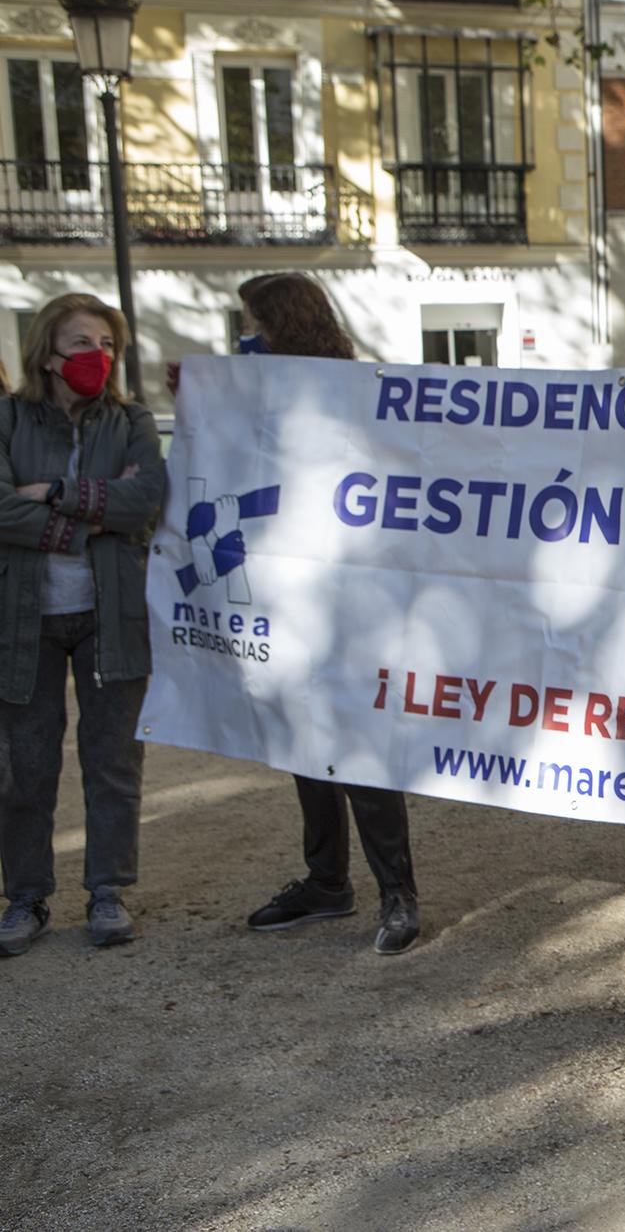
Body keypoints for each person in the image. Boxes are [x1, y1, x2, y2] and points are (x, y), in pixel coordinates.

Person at [215, 273, 423, 956]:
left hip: (354, 596)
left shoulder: (357, 393)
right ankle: (326, 882)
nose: (244, 334)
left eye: (252, 321)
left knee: (359, 744)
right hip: (287, 594)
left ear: (279, 322)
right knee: (305, 742)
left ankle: (398, 895)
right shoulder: (255, 392)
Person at [0, 294, 167, 955]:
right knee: (21, 769)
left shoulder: (130, 422)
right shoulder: (8, 419)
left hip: (112, 616)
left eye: (107, 345)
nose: (96, 357)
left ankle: (107, 891)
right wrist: (96, 517)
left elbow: (145, 498)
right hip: (22, 620)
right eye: (80, 344)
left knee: (113, 764)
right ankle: (27, 899)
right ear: (46, 353)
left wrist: (50, 496)